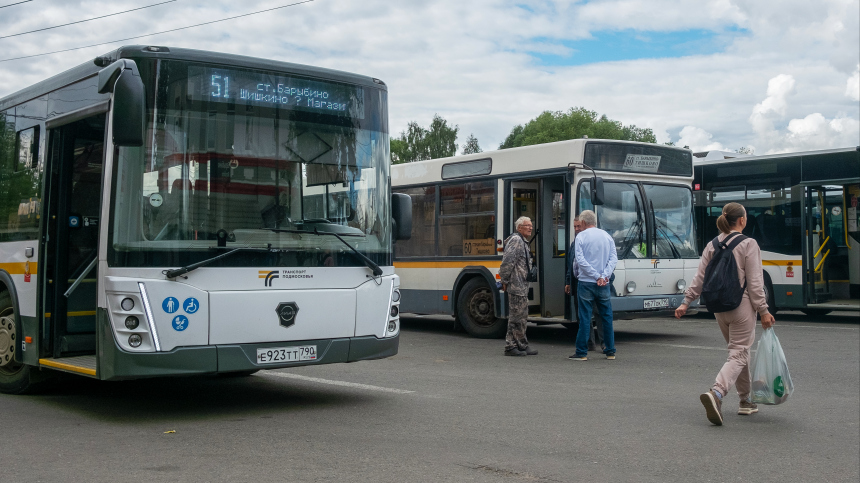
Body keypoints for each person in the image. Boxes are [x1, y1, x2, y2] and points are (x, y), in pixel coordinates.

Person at [675, 202, 775, 426]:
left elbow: (700, 277)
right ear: (742, 220)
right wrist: (764, 310)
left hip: (719, 308)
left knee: (739, 353)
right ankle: (717, 393)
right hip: (741, 306)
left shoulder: (712, 245)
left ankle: (746, 400)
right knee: (739, 354)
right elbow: (755, 282)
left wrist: (686, 301)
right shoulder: (748, 243)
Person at [569, 210, 617, 361]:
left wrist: (595, 275)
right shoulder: (607, 236)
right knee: (606, 317)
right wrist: (603, 276)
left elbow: (580, 260)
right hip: (603, 283)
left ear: (583, 222)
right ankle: (610, 351)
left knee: (584, 317)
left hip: (586, 282)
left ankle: (581, 352)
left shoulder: (581, 237)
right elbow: (613, 259)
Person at [499, 216, 538, 356]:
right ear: (519, 227)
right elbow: (507, 262)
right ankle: (510, 346)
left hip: (522, 286)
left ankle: (522, 344)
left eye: (531, 225)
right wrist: (504, 280)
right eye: (527, 225)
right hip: (516, 285)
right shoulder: (516, 240)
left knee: (522, 317)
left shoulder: (522, 241)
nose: (530, 228)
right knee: (515, 318)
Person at [565, 216, 603, 351]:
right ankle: (589, 343)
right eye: (574, 227)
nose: (576, 229)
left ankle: (604, 343)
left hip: (595, 282)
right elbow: (571, 264)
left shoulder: (594, 241)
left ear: (585, 225)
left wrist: (604, 278)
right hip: (578, 283)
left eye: (578, 226)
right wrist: (568, 281)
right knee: (582, 316)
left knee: (599, 314)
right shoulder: (574, 243)